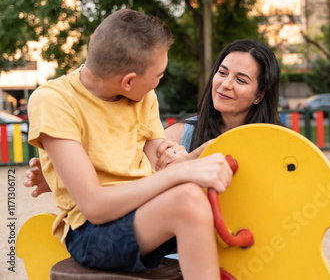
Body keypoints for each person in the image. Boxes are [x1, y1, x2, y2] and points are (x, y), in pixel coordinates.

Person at [27, 8, 233, 279]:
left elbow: (159, 169)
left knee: (225, 188)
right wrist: (180, 172)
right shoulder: (54, 101)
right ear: (128, 81)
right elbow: (96, 207)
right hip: (93, 234)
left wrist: (193, 156)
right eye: (158, 75)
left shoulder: (143, 96)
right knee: (188, 200)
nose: (159, 81)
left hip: (145, 212)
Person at [26, 39, 283, 193]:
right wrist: (63, 178)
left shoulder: (279, 145)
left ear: (259, 94)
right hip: (183, 250)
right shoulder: (183, 134)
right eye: (222, 72)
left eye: (240, 79)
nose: (225, 84)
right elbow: (125, 174)